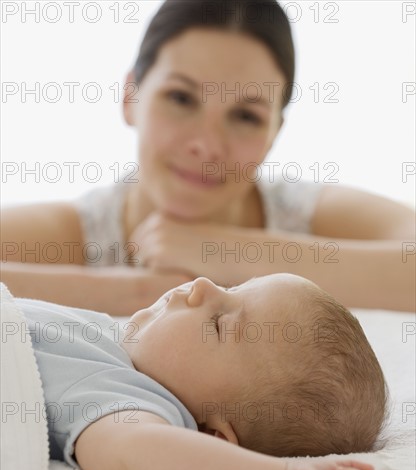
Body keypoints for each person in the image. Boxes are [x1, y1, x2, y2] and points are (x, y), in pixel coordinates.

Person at [2, 0, 414, 315]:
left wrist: (227, 251)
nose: (206, 144)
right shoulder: (79, 234)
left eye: (245, 116)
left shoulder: (304, 214)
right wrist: (137, 292)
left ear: (275, 134)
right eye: (181, 98)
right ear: (131, 98)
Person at [16, 273, 388, 470]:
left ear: (212, 437)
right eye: (230, 287)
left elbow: (137, 455)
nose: (202, 285)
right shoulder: (111, 346)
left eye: (219, 323)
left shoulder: (125, 397)